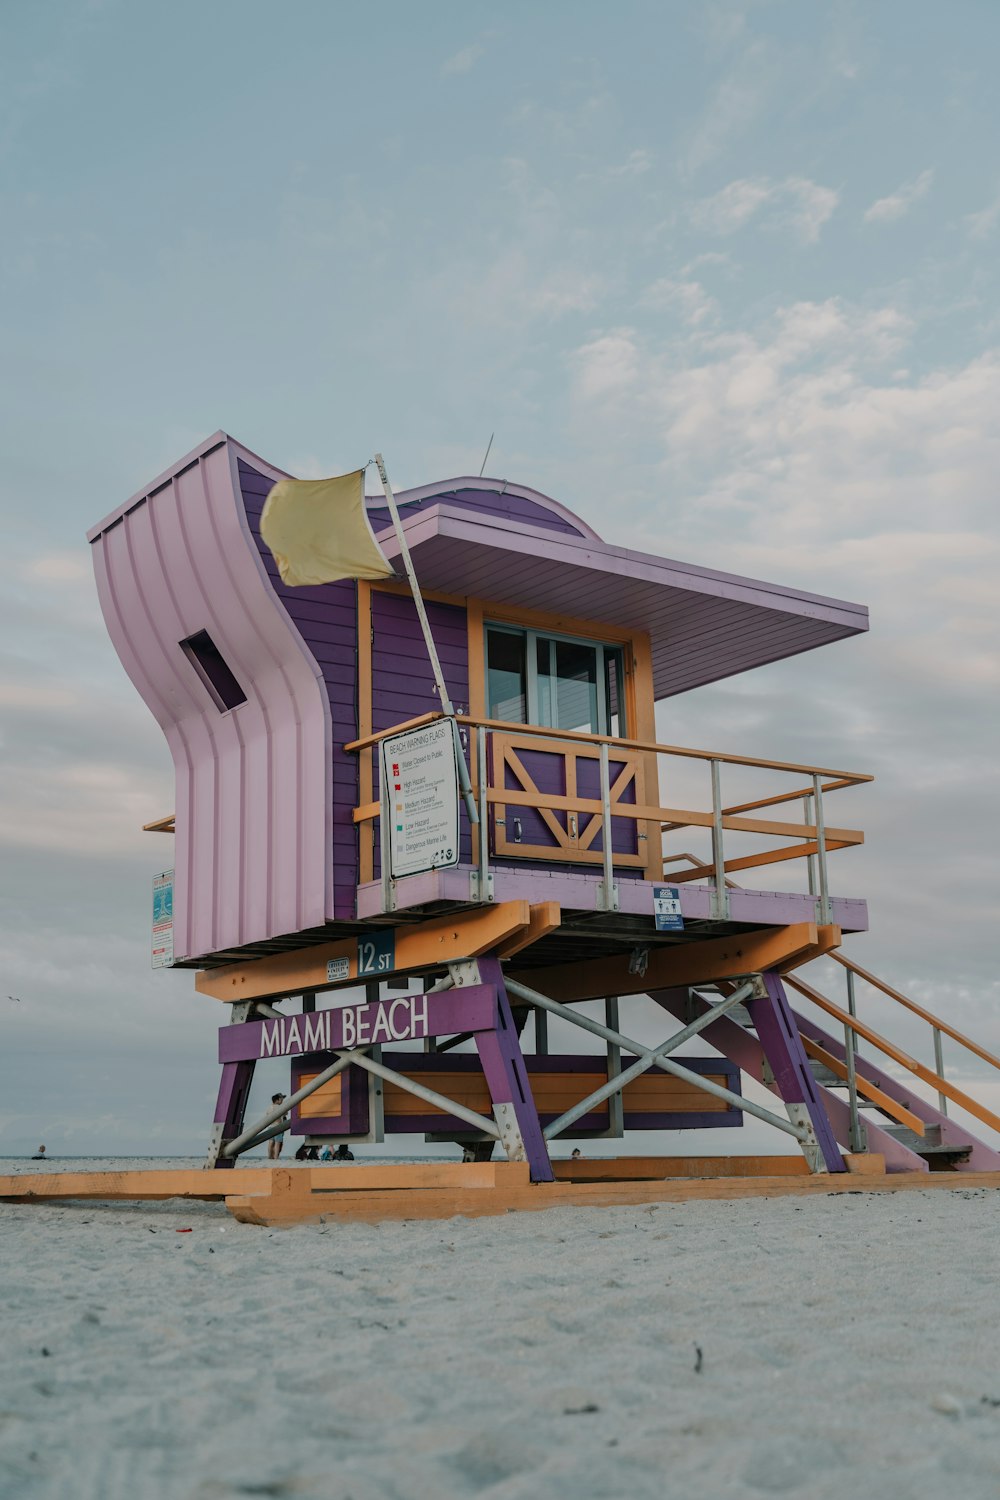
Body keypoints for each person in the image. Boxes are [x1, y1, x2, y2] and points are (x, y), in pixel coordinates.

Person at [267, 1094, 287, 1160]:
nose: (282, 1101)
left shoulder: (269, 1107)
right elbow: (285, 1113)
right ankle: (276, 1157)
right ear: (277, 1100)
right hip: (278, 1127)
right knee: (277, 1143)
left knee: (271, 1142)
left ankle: (270, 1157)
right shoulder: (279, 1107)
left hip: (270, 1127)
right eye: (281, 1099)